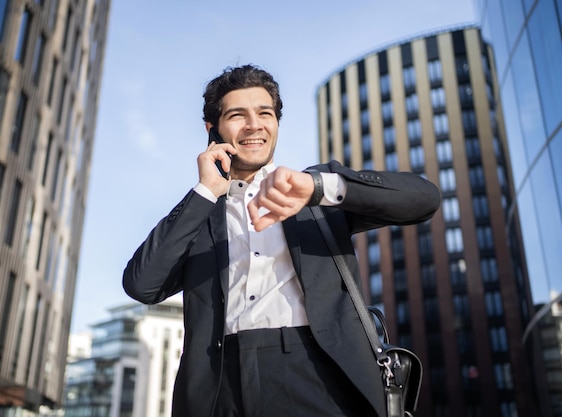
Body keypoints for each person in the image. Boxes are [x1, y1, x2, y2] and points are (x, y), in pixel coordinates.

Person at [123, 64, 440, 417]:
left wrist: (321, 187)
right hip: (221, 385)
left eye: (265, 113)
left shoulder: (312, 193)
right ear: (212, 130)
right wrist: (204, 191)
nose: (254, 125)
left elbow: (423, 199)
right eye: (237, 115)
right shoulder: (200, 213)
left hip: (316, 370)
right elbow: (142, 285)